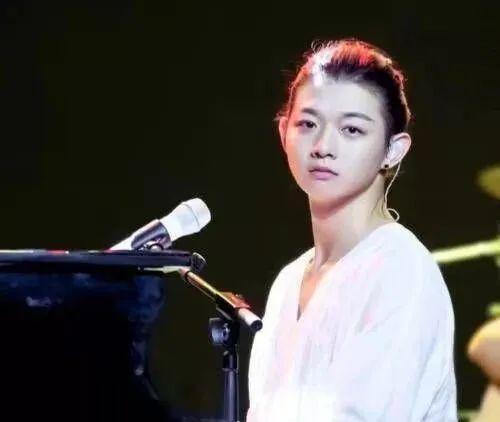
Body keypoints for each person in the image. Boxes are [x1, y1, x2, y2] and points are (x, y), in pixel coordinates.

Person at [247, 39, 457, 421]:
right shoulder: (288, 283)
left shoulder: (401, 270)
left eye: (352, 130)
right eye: (308, 124)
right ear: (283, 133)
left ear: (393, 150)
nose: (323, 146)